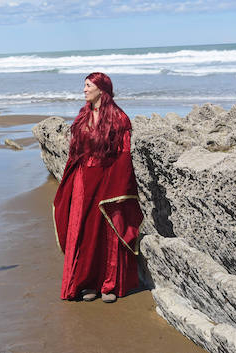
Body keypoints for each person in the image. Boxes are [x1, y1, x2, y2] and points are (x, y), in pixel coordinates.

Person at [53, 72, 143, 303]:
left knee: (106, 231)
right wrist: (71, 180)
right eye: (84, 86)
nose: (84, 90)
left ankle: (108, 284)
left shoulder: (119, 117)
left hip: (107, 178)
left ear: (101, 89)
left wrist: (119, 186)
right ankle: (86, 283)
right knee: (84, 230)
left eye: (88, 86)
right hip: (83, 179)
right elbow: (75, 151)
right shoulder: (83, 115)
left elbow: (124, 154)